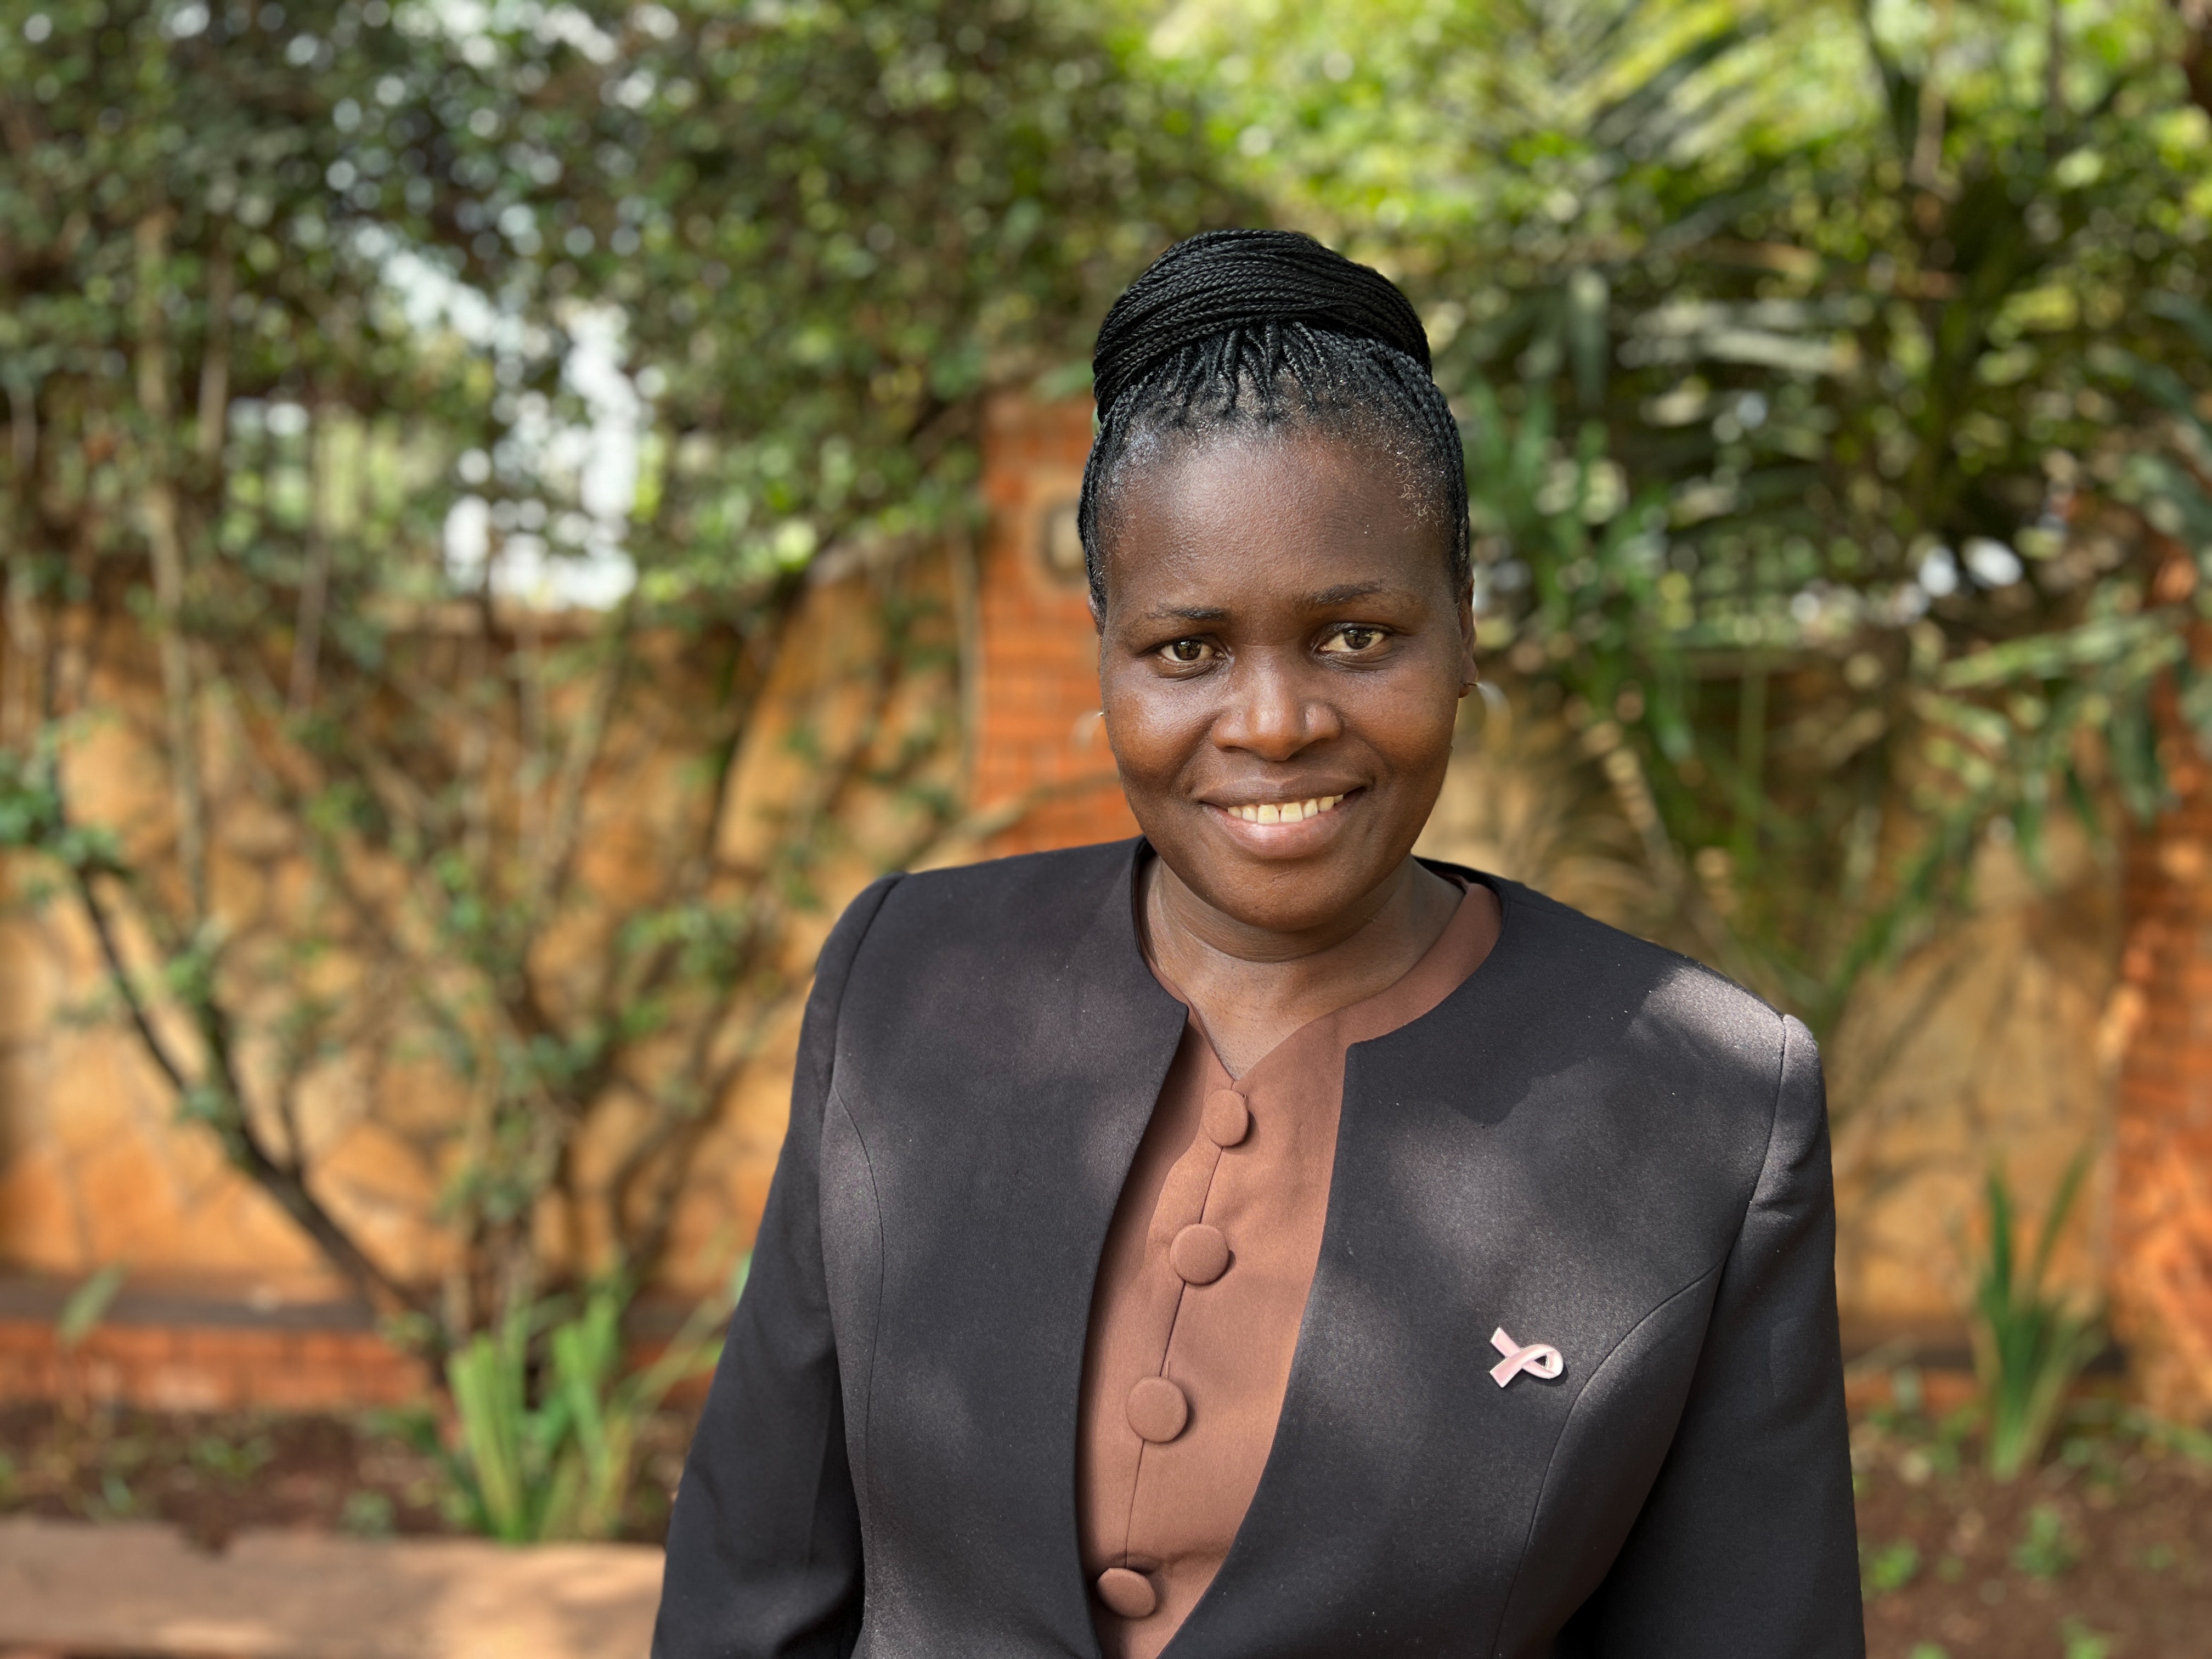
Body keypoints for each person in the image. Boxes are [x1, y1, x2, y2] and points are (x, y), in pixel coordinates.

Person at [652, 229, 1861, 1658]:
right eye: (1189, 649)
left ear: (1464, 629)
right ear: (1106, 648)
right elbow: (750, 1584)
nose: (1275, 723)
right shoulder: (911, 978)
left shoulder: (1702, 1101)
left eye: (1356, 637)